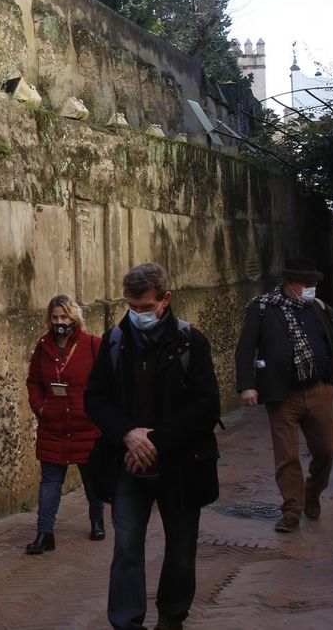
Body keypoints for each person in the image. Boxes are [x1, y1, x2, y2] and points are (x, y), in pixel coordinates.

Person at [85, 263, 220, 630]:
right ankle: (126, 621)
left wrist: (155, 441)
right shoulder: (114, 341)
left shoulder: (192, 342)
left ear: (165, 300)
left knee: (181, 547)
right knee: (126, 545)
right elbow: (95, 399)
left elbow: (206, 406)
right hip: (127, 462)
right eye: (132, 306)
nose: (138, 314)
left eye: (146, 307)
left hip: (181, 463)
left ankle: (172, 616)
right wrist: (128, 434)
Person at [234, 255, 333, 532]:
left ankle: (312, 492)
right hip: (282, 394)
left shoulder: (318, 308)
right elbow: (245, 348)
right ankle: (292, 508)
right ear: (292, 284)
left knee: (327, 449)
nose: (312, 289)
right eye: (307, 284)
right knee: (287, 455)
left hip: (319, 390)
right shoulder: (263, 308)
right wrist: (247, 385)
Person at [24, 295, 105, 554]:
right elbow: (33, 381)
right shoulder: (43, 347)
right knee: (50, 481)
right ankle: (44, 533)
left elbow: (107, 382)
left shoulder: (92, 345)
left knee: (92, 480)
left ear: (74, 318)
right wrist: (40, 407)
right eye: (55, 317)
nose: (60, 322)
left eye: (64, 317)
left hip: (86, 426)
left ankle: (97, 521)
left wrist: (97, 411)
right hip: (54, 425)